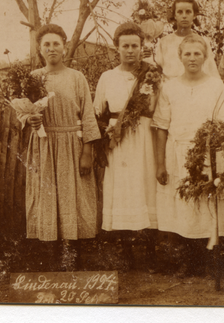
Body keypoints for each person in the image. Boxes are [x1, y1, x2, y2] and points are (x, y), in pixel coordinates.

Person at [153, 34, 224, 276]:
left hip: (209, 153)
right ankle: (186, 260)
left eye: (197, 53)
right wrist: (160, 163)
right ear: (179, 57)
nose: (192, 58)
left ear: (205, 56)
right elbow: (161, 127)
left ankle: (208, 259)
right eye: (187, 53)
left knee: (208, 205)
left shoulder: (215, 85)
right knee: (184, 206)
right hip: (178, 152)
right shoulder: (169, 87)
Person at [25, 24, 100, 270]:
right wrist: (30, 119)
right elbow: (22, 112)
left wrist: (87, 152)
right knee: (46, 195)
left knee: (73, 196)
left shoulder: (76, 77)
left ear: (65, 47)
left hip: (71, 145)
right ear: (40, 49)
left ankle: (72, 253)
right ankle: (50, 253)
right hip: (44, 144)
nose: (51, 48)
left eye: (56, 43)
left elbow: (88, 116)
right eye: (46, 44)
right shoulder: (34, 77)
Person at [93, 22, 160, 272]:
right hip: (117, 139)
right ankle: (127, 252)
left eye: (135, 45)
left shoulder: (151, 74)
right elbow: (97, 112)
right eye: (125, 46)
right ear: (116, 48)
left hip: (143, 137)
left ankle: (151, 251)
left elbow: (156, 108)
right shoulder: (107, 77)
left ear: (142, 48)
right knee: (122, 189)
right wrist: (105, 138)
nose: (130, 50)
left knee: (145, 186)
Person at [153, 0, 220, 79]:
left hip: (196, 88)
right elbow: (158, 69)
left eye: (188, 12)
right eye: (180, 12)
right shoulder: (165, 41)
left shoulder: (203, 41)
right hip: (170, 88)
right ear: (174, 15)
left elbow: (211, 71)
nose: (184, 16)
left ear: (194, 15)